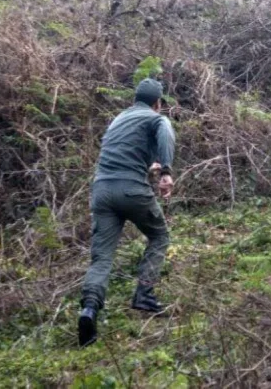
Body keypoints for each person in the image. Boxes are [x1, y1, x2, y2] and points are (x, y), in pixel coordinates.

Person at [78, 78, 176, 347]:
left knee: (102, 258)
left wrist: (150, 167)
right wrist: (166, 172)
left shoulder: (119, 119)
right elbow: (164, 128)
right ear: (158, 103)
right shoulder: (155, 117)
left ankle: (89, 309)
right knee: (159, 237)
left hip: (102, 191)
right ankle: (144, 292)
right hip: (131, 191)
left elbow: (123, 156)